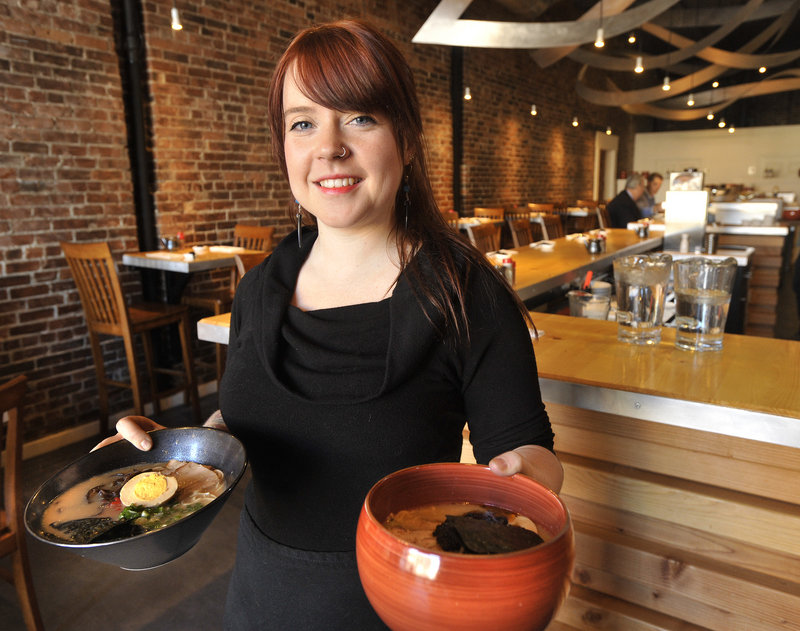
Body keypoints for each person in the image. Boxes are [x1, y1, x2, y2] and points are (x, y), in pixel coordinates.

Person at [95, 19, 562, 630]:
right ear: (284, 146)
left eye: (361, 117)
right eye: (302, 122)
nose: (330, 146)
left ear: (408, 138)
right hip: (263, 597)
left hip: (398, 604)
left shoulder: (463, 293)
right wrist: (172, 454)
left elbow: (535, 454)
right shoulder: (261, 287)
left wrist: (515, 475)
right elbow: (239, 422)